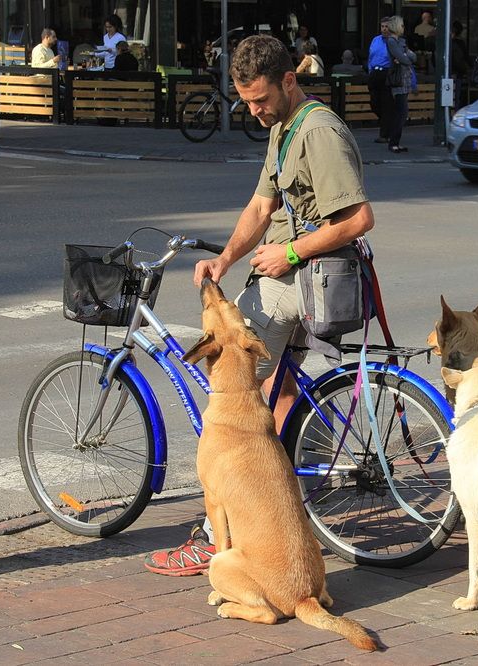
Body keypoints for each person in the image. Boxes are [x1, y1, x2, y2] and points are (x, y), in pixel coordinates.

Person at [143, 34, 374, 577]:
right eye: (245, 101)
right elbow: (261, 205)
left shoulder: (317, 131)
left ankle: (212, 535)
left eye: (259, 99)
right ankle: (290, 489)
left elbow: (359, 219)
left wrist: (289, 250)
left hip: (303, 279)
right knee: (275, 388)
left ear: (289, 80)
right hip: (290, 273)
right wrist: (225, 259)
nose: (253, 110)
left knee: (229, 398)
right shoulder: (282, 128)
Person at [383, 15, 415, 154]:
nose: (403, 28)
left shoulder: (401, 41)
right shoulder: (391, 41)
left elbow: (412, 57)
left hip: (405, 79)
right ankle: (393, 142)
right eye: (401, 25)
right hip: (398, 80)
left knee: (401, 112)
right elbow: (405, 59)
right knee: (401, 112)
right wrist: (404, 56)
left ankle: (396, 141)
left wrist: (404, 56)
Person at [367, 17, 394, 144]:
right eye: (382, 26)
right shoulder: (375, 40)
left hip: (386, 72)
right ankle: (387, 122)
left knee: (386, 103)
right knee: (374, 102)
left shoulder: (393, 41)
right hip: (374, 72)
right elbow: (370, 56)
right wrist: (370, 70)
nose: (384, 29)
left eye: (386, 26)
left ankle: (384, 134)